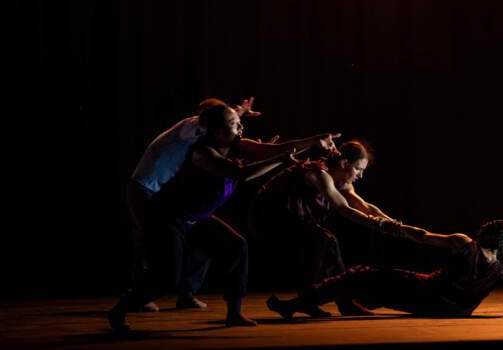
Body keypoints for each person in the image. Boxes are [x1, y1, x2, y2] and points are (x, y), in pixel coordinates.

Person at [108, 103, 336, 331]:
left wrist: (316, 141)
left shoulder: (240, 147)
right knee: (167, 277)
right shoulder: (201, 152)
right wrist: (283, 159)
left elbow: (285, 149)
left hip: (196, 218)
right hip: (168, 216)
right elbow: (240, 173)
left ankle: (234, 313)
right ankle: (121, 308)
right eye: (234, 124)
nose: (241, 128)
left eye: (239, 123)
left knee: (236, 246)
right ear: (216, 130)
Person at [266, 219, 503, 317]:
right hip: (441, 310)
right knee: (369, 287)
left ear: (483, 234)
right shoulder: (502, 272)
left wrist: (392, 226)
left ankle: (295, 305)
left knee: (360, 275)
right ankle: (344, 305)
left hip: (423, 294)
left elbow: (423, 236)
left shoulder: (464, 243)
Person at [126, 97, 261, 311]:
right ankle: (140, 293)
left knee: (204, 239)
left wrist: (239, 114)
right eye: (226, 118)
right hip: (145, 187)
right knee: (149, 238)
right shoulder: (189, 126)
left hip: (167, 192)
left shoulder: (209, 134)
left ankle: (187, 293)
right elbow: (212, 125)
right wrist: (237, 113)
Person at [249, 140, 404, 316]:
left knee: (327, 245)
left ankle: (337, 302)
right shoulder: (318, 174)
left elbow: (362, 205)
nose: (360, 175)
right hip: (268, 219)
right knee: (322, 240)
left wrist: (392, 222)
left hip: (293, 221)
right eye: (358, 169)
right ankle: (316, 301)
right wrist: (380, 225)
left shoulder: (343, 181)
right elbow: (344, 208)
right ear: (345, 163)